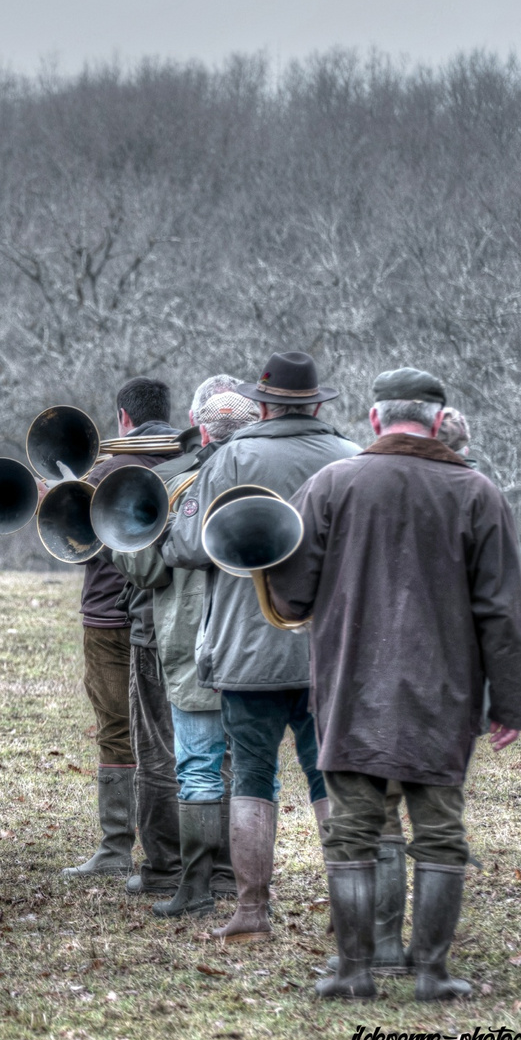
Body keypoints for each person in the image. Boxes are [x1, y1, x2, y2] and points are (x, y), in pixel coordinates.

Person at [268, 368, 521, 1001]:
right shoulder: (478, 493)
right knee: (440, 831)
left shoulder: (330, 485)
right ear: (441, 423)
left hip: (351, 688)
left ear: (374, 419)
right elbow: (503, 610)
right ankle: (433, 974)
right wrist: (512, 702)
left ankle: (353, 972)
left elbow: (294, 594)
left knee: (353, 830)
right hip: (445, 696)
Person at [162, 350, 360, 943]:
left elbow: (188, 548)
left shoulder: (233, 457)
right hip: (332, 650)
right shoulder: (353, 458)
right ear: (318, 403)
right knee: (331, 778)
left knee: (252, 774)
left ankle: (251, 913)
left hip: (249, 651)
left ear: (264, 403)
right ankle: (347, 914)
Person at [109, 378, 258, 917]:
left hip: (181, 639)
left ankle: (174, 874)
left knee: (175, 758)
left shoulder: (171, 479)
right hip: (256, 642)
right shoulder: (273, 477)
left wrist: (117, 537)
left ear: (198, 427)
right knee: (245, 763)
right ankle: (231, 876)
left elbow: (146, 568)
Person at [60, 377, 183, 896]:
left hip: (109, 618)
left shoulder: (103, 472)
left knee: (117, 727)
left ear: (123, 418)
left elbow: (75, 545)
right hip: (166, 615)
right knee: (171, 732)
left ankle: (115, 848)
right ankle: (177, 850)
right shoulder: (190, 462)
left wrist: (62, 499)